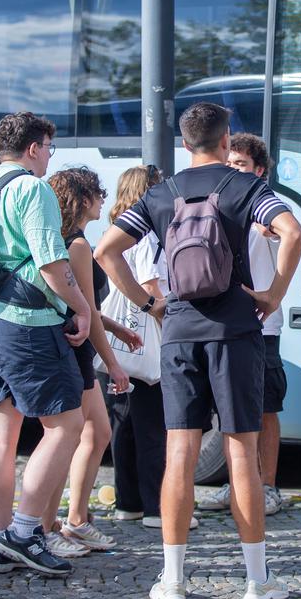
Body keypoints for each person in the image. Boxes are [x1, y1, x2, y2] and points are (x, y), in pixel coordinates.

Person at [96, 102, 301, 599]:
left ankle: (172, 581)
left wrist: (150, 304)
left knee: (181, 452)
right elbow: (293, 232)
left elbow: (106, 250)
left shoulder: (160, 193)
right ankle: (256, 582)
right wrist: (274, 294)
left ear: (183, 142)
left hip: (180, 330)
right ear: (227, 138)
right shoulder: (247, 187)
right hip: (235, 328)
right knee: (240, 453)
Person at [0, 112, 95, 578]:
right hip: (24, 325)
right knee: (67, 426)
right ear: (35, 148)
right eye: (49, 149)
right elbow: (50, 264)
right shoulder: (31, 189)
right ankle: (25, 532)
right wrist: (82, 308)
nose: (48, 159)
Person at [39, 167, 133, 558]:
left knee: (95, 433)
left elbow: (88, 309)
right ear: (82, 200)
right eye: (97, 194)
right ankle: (47, 527)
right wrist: (113, 363)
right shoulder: (76, 245)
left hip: (75, 346)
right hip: (76, 351)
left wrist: (117, 329)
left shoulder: (68, 241)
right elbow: (87, 312)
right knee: (71, 437)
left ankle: (75, 517)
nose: (102, 201)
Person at [201, 133, 287, 516]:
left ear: (259, 171)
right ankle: (237, 483)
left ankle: (267, 486)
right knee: (227, 410)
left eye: (241, 164)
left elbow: (289, 232)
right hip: (225, 321)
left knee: (266, 408)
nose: (233, 168)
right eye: (230, 161)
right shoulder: (218, 201)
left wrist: (270, 232)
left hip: (262, 324)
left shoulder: (266, 205)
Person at [101, 165, 186, 532]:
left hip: (119, 340)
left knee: (124, 426)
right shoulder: (148, 235)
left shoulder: (115, 229)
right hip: (147, 337)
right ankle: (156, 507)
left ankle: (128, 502)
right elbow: (153, 288)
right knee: (155, 427)